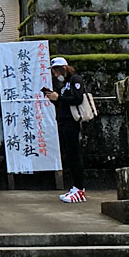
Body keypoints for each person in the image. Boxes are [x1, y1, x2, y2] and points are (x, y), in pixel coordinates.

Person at [45, 57, 87, 203]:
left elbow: (78, 99)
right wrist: (54, 99)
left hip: (72, 122)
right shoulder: (64, 85)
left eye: (56, 71)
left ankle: (80, 188)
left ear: (64, 68)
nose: (56, 75)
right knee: (69, 155)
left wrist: (60, 98)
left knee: (75, 154)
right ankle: (75, 186)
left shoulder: (75, 80)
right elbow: (62, 103)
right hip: (63, 121)